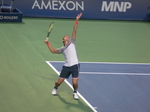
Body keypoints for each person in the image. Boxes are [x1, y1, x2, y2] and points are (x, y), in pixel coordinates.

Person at [44, 13, 82, 100]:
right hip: (66, 67)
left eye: (68, 37)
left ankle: (75, 92)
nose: (67, 37)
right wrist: (48, 44)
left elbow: (74, 31)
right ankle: (55, 88)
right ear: (63, 39)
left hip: (75, 65)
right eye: (65, 37)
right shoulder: (62, 49)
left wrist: (76, 21)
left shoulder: (72, 42)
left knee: (74, 83)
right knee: (58, 82)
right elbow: (53, 51)